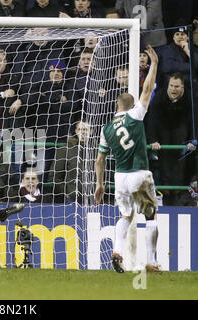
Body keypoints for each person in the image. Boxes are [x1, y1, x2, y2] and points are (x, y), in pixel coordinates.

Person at [94, 45, 160, 273]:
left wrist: (100, 184)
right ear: (131, 106)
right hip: (139, 173)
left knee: (125, 215)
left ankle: (117, 251)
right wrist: (155, 64)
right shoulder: (135, 114)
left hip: (119, 177)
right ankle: (151, 261)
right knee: (150, 215)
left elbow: (99, 160)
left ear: (115, 107)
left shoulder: (106, 127)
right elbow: (148, 89)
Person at [146, 73, 197, 206]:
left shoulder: (190, 98)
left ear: (183, 87)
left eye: (177, 86)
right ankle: (166, 195)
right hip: (163, 131)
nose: (173, 89)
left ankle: (180, 194)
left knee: (182, 162)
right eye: (171, 86)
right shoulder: (159, 98)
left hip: (181, 130)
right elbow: (152, 121)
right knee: (165, 164)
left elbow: (193, 120)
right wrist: (153, 140)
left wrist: (193, 140)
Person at [51, 120, 93, 204]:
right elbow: (54, 176)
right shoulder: (65, 149)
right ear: (76, 131)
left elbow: (105, 174)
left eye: (86, 129)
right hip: (72, 199)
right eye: (81, 129)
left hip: (93, 198)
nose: (84, 132)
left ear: (91, 131)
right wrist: (67, 192)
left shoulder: (97, 150)